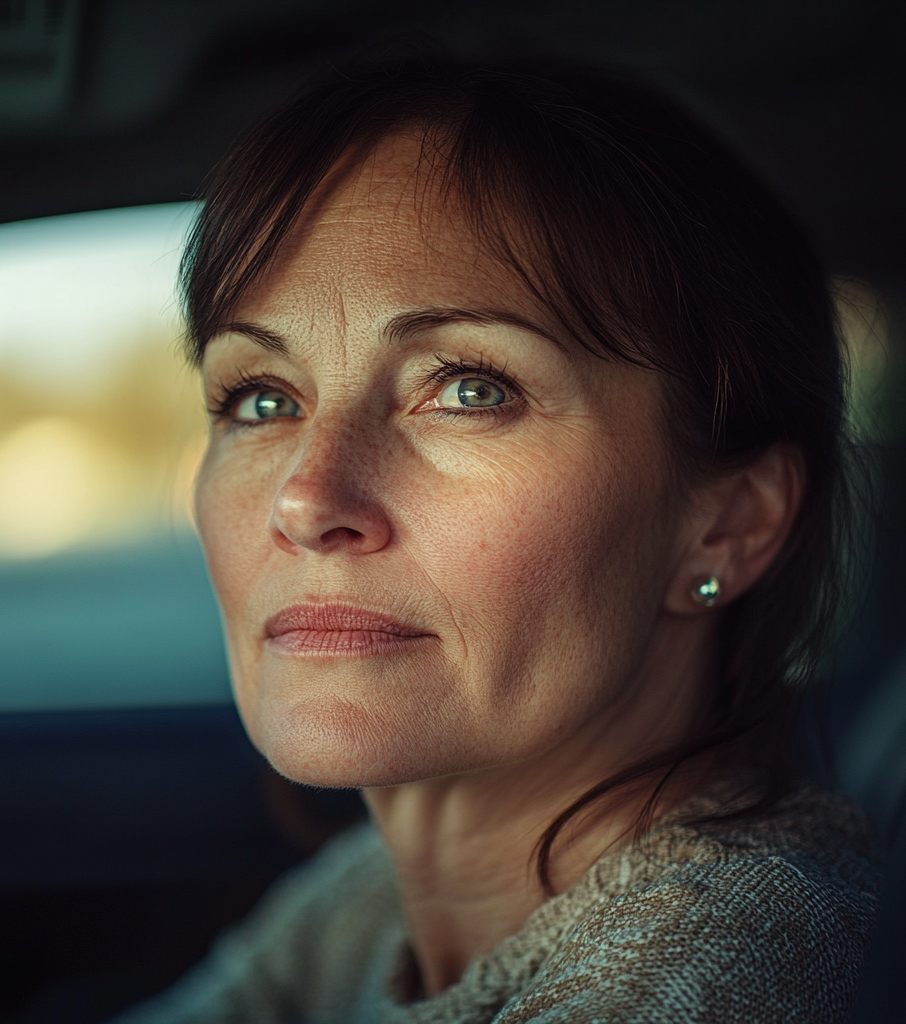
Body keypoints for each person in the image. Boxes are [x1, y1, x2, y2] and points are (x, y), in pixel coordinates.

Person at [115, 56, 878, 1023]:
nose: (306, 500)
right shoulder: (373, 898)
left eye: (472, 389)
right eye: (261, 399)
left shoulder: (718, 972)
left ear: (728, 524)